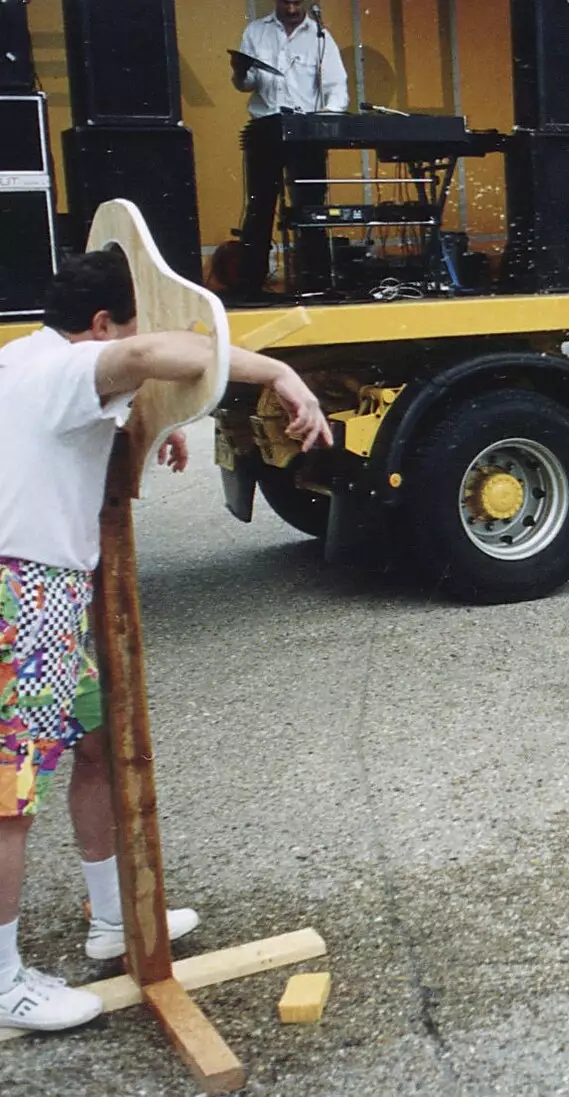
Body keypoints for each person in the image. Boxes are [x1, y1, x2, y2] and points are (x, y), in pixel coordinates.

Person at [0, 248, 332, 1031]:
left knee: (93, 746)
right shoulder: (63, 371)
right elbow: (149, 355)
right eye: (128, 328)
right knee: (10, 796)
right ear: (102, 325)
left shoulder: (27, 362)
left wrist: (145, 427)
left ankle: (114, 916)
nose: (136, 344)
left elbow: (110, 397)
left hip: (41, 588)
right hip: (24, 592)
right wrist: (275, 371)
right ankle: (3, 976)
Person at [231, 0, 352, 297]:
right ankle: (251, 286)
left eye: (297, 2)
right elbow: (246, 85)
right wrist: (239, 72)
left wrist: (325, 120)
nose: (291, 8)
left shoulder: (321, 36)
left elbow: (337, 88)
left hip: (305, 130)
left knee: (310, 209)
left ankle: (315, 283)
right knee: (259, 208)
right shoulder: (256, 32)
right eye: (286, 2)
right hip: (266, 126)